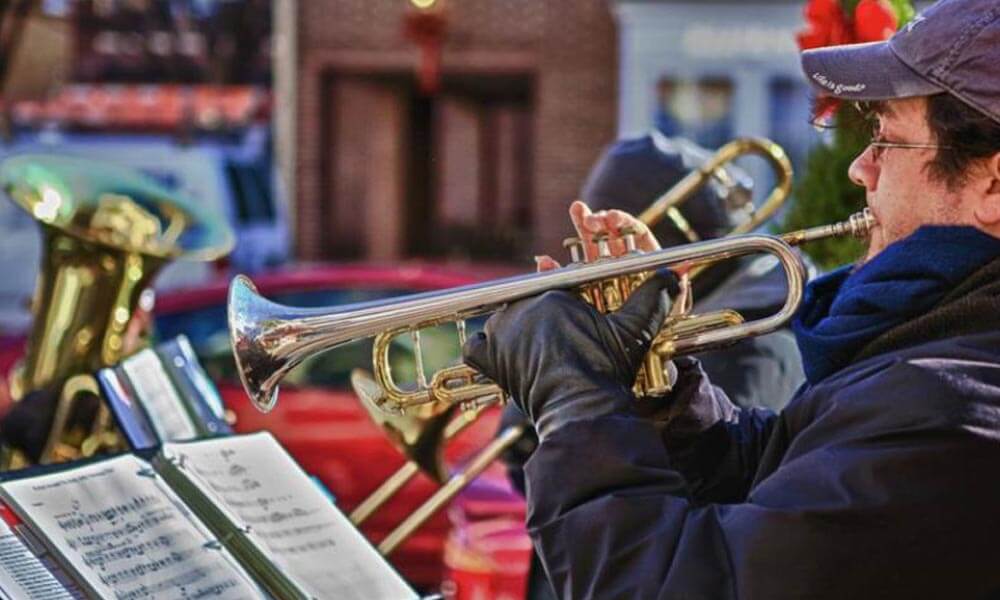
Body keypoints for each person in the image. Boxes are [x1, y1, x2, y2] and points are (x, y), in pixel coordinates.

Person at [463, 0, 1000, 597]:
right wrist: (658, 386)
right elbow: (771, 475)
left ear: (994, 184)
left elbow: (679, 586)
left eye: (888, 140)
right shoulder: (932, 347)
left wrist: (571, 398)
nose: (859, 168)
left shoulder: (954, 408)